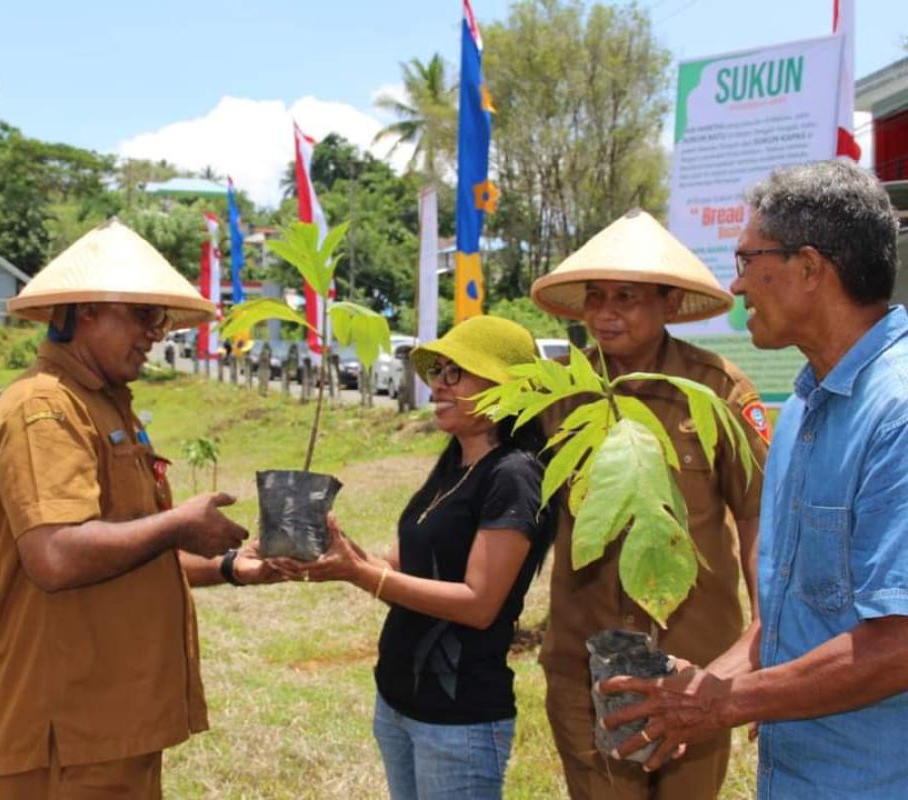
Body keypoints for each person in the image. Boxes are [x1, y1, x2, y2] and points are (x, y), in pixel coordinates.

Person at [602, 160, 908, 798]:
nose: (736, 285)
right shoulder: (801, 411)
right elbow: (790, 618)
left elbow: (897, 646)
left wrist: (721, 704)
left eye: (746, 260)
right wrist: (703, 688)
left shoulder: (897, 411)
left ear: (809, 268)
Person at [0, 220, 281, 799]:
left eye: (159, 320)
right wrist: (179, 523)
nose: (155, 334)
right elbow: (56, 556)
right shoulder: (45, 408)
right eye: (143, 315)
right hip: (72, 721)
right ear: (86, 310)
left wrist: (230, 567)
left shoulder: (105, 404)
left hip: (116, 715)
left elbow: (130, 548)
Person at [529, 208, 770, 800]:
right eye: (597, 296)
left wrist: (765, 641)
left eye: (627, 297)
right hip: (586, 661)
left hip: (696, 666)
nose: (606, 312)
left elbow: (756, 514)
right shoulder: (559, 393)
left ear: (667, 304)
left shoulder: (716, 390)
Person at [277, 316, 556, 799]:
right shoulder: (453, 467)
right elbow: (400, 573)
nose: (437, 387)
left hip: (458, 718)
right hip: (400, 702)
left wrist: (360, 573)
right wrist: (339, 558)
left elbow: (478, 602)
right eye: (436, 373)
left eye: (455, 373)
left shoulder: (515, 475)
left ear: (505, 387)